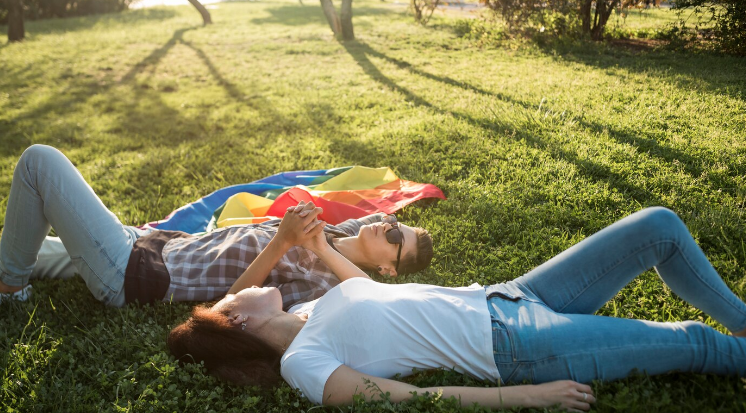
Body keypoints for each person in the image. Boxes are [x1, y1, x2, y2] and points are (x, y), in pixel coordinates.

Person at [169, 207, 746, 411]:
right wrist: (530, 396)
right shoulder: (304, 364)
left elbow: (374, 291)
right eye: (225, 303)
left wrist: (318, 246)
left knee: (659, 227)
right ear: (236, 320)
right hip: (516, 347)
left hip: (513, 294)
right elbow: (418, 399)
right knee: (695, 340)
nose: (232, 293)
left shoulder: (313, 310)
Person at [0, 145, 433, 307]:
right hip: (152, 243)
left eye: (395, 237)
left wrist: (283, 242)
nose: (385, 225)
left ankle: (10, 289)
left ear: (388, 270)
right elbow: (373, 220)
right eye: (392, 222)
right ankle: (12, 268)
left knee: (40, 162)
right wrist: (383, 218)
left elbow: (230, 306)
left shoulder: (326, 285)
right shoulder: (341, 235)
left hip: (132, 273)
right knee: (13, 244)